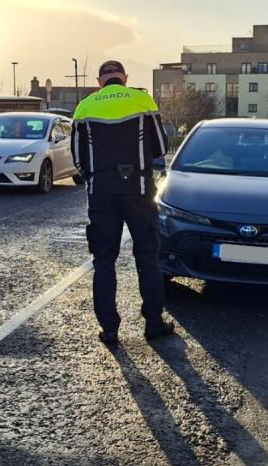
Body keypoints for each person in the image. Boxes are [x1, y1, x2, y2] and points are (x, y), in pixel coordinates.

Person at [71, 60, 175, 346]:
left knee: (104, 261)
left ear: (99, 80)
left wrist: (97, 175)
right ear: (125, 79)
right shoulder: (142, 100)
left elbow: (77, 157)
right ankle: (153, 323)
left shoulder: (86, 107)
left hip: (102, 192)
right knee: (148, 258)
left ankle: (110, 329)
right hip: (139, 189)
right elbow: (160, 146)